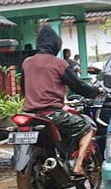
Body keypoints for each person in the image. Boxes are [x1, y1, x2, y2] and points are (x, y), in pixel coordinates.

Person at [20, 25, 103, 178]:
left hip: (30, 114)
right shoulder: (59, 63)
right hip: (53, 113)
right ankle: (78, 167)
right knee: (87, 128)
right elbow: (78, 86)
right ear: (55, 44)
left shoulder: (27, 62)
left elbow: (23, 89)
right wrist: (95, 91)